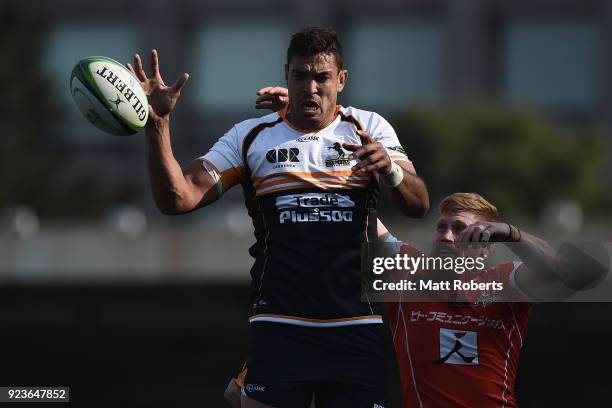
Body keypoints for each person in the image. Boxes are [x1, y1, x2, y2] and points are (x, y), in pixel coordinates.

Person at [130, 27, 429, 408]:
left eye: (322, 77)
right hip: (279, 326)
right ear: (286, 74)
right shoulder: (250, 137)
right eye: (300, 76)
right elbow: (178, 198)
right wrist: (158, 124)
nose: (311, 88)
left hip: (357, 327)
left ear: (342, 80)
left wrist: (391, 171)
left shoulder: (369, 128)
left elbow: (418, 203)